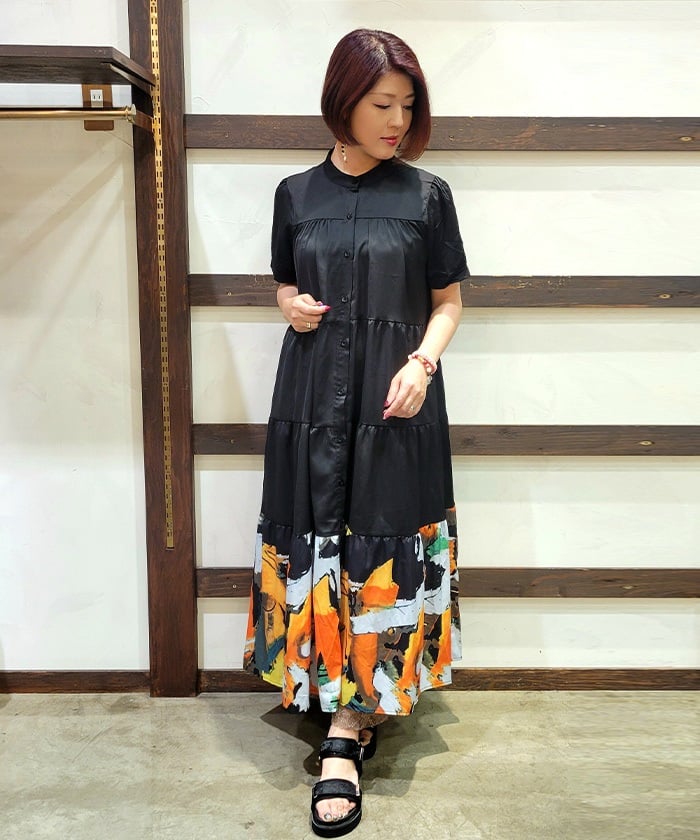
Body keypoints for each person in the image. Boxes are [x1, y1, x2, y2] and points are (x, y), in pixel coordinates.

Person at [244, 28, 468, 838]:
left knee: (381, 537)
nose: (397, 121)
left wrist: (422, 363)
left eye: (407, 106)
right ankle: (329, 689)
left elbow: (447, 301)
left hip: (395, 400)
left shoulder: (427, 195)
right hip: (311, 395)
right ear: (343, 101)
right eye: (382, 104)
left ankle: (351, 723)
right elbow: (284, 282)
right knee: (316, 528)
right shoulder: (295, 194)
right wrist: (291, 305)